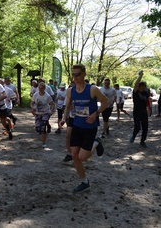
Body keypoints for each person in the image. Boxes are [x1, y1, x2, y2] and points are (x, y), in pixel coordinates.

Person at [60, 64, 108, 192]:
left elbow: (106, 101)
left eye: (78, 74)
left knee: (82, 157)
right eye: (73, 74)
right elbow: (68, 106)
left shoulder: (92, 89)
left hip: (90, 127)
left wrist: (96, 113)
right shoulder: (70, 90)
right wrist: (64, 118)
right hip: (77, 125)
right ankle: (84, 182)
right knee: (74, 155)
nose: (75, 77)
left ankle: (96, 142)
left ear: (84, 74)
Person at [30, 82, 55, 147]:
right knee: (38, 128)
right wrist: (33, 108)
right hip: (38, 113)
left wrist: (51, 111)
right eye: (39, 88)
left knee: (43, 128)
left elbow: (52, 104)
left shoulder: (47, 96)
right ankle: (42, 132)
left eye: (42, 88)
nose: (40, 89)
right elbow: (31, 103)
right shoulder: (35, 95)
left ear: (44, 88)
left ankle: (43, 142)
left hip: (46, 113)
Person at [129, 70, 150, 148]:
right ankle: (134, 136)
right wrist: (140, 76)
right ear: (140, 86)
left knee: (145, 128)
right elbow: (136, 84)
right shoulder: (135, 93)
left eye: (145, 86)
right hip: (136, 112)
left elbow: (147, 102)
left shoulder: (146, 93)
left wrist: (148, 110)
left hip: (144, 112)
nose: (144, 87)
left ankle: (142, 141)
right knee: (137, 127)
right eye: (143, 86)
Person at [62, 81, 76, 163]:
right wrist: (64, 119)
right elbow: (66, 107)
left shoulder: (81, 95)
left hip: (80, 118)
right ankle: (70, 153)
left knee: (79, 137)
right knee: (68, 135)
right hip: (72, 117)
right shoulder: (69, 95)